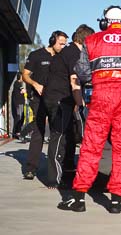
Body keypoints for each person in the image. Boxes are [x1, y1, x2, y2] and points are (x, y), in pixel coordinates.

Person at [57, 5, 121, 213]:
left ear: (103, 22)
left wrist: (102, 77)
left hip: (101, 97)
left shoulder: (91, 41)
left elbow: (82, 73)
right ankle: (117, 201)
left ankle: (78, 198)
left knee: (91, 146)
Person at [43, 25, 95, 189]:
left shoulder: (70, 52)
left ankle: (65, 171)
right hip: (59, 99)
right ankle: (54, 178)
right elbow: (74, 81)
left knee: (68, 135)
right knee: (59, 137)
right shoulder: (74, 54)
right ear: (86, 41)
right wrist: (80, 103)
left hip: (61, 98)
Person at [22, 31, 69, 180]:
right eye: (61, 43)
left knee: (58, 134)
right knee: (38, 132)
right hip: (39, 100)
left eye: (65, 44)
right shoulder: (37, 55)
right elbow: (25, 75)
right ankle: (31, 168)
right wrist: (35, 84)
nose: (63, 46)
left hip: (57, 100)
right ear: (52, 40)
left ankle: (56, 171)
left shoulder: (63, 58)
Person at [11, 72, 26, 139]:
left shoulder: (19, 83)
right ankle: (15, 133)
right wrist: (23, 90)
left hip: (20, 103)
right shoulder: (17, 83)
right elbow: (23, 90)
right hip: (18, 104)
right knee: (19, 118)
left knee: (21, 118)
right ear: (20, 77)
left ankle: (18, 132)